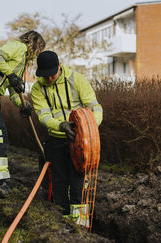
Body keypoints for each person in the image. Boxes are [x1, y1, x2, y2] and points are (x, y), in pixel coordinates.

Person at [0, 30, 45, 196]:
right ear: (33, 43)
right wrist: (11, 75)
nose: (37, 54)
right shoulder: (18, 47)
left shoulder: (22, 63)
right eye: (39, 48)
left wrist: (23, 105)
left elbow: (13, 91)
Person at [31, 50, 103, 220]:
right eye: (45, 75)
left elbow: (95, 107)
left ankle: (80, 225)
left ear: (60, 66)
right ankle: (62, 224)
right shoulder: (37, 88)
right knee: (58, 182)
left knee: (78, 182)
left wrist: (89, 128)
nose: (49, 79)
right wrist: (60, 125)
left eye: (52, 74)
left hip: (80, 140)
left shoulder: (77, 79)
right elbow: (44, 116)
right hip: (56, 139)